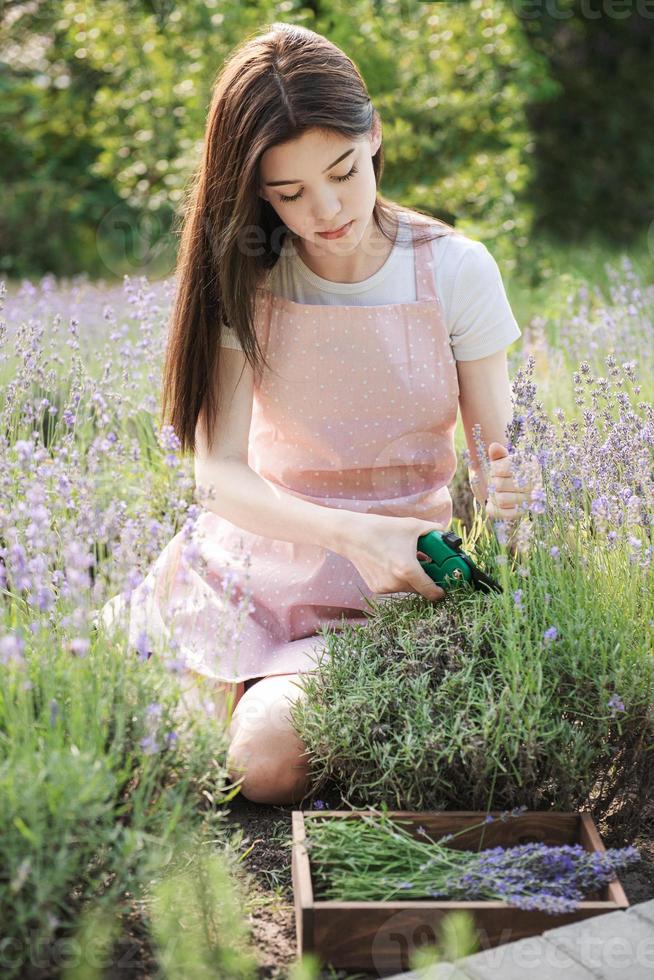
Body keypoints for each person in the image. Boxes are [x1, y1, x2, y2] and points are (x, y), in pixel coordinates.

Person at [98, 22, 537, 806]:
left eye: (342, 171)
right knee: (109, 734)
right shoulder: (249, 270)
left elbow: (499, 461)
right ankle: (219, 687)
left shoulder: (456, 270)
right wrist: (347, 531)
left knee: (262, 765)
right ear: (254, 188)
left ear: (374, 137)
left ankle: (253, 701)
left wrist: (513, 510)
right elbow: (220, 475)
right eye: (288, 193)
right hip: (250, 563)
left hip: (386, 590)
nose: (326, 210)